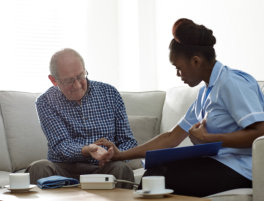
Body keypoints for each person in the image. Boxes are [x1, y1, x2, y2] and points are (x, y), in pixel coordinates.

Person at [96, 18, 264, 196]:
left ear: (196, 61)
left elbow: (261, 131)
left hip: (243, 169)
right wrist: (120, 155)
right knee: (155, 174)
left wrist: (210, 138)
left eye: (179, 68)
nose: (178, 74)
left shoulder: (232, 83)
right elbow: (172, 137)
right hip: (219, 163)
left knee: (161, 178)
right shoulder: (205, 92)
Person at [25, 48, 139, 188]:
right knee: (39, 167)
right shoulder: (45, 101)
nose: (77, 85)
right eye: (68, 81)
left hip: (103, 168)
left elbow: (128, 141)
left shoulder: (110, 93)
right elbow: (61, 145)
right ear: (53, 80)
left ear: (85, 70)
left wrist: (113, 154)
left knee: (121, 168)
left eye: (80, 76)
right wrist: (87, 150)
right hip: (63, 169)